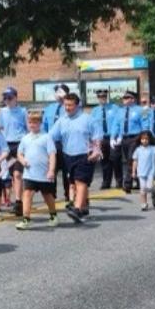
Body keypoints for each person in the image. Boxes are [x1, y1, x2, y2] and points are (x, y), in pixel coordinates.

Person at [50, 93, 102, 223]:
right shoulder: (62, 120)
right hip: (68, 155)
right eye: (65, 105)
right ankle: (83, 207)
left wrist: (96, 151)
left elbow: (97, 136)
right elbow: (51, 136)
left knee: (81, 182)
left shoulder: (88, 119)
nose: (67, 108)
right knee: (72, 184)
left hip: (85, 154)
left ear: (77, 105)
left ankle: (77, 209)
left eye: (70, 105)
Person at [15, 112, 59, 230]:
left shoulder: (46, 137)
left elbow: (52, 154)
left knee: (47, 195)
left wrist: (51, 170)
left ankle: (53, 215)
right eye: (30, 122)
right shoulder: (25, 138)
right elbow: (19, 153)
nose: (32, 125)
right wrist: (22, 160)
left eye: (35, 122)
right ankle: (26, 219)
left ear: (40, 123)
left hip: (44, 173)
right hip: (30, 173)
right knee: (27, 194)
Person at [109, 91, 149, 194]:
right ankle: (140, 182)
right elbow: (116, 124)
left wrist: (144, 137)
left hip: (136, 137)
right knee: (131, 161)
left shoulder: (141, 110)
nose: (125, 100)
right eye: (124, 98)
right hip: (124, 138)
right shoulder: (120, 111)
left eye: (128, 98)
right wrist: (113, 137)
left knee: (131, 160)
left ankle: (127, 184)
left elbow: (145, 123)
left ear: (133, 99)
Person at [0, 86, 27, 216]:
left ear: (16, 98)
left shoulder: (23, 111)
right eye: (5, 98)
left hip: (20, 144)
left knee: (17, 174)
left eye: (10, 98)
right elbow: (1, 128)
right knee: (12, 176)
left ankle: (18, 201)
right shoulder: (2, 112)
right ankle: (18, 200)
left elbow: (28, 128)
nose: (7, 100)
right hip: (8, 146)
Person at [42, 84, 71, 201]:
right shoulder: (49, 108)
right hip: (52, 143)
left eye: (60, 92)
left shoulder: (70, 107)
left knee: (66, 171)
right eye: (56, 92)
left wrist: (65, 100)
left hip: (65, 143)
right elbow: (44, 126)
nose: (58, 95)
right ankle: (51, 194)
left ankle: (68, 194)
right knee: (51, 169)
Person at [90, 89, 118, 190]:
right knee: (104, 161)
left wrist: (117, 136)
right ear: (97, 98)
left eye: (104, 97)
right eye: (100, 97)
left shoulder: (114, 108)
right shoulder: (94, 111)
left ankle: (119, 181)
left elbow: (118, 122)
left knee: (115, 159)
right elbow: (92, 126)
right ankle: (106, 182)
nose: (102, 99)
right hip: (101, 138)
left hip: (112, 137)